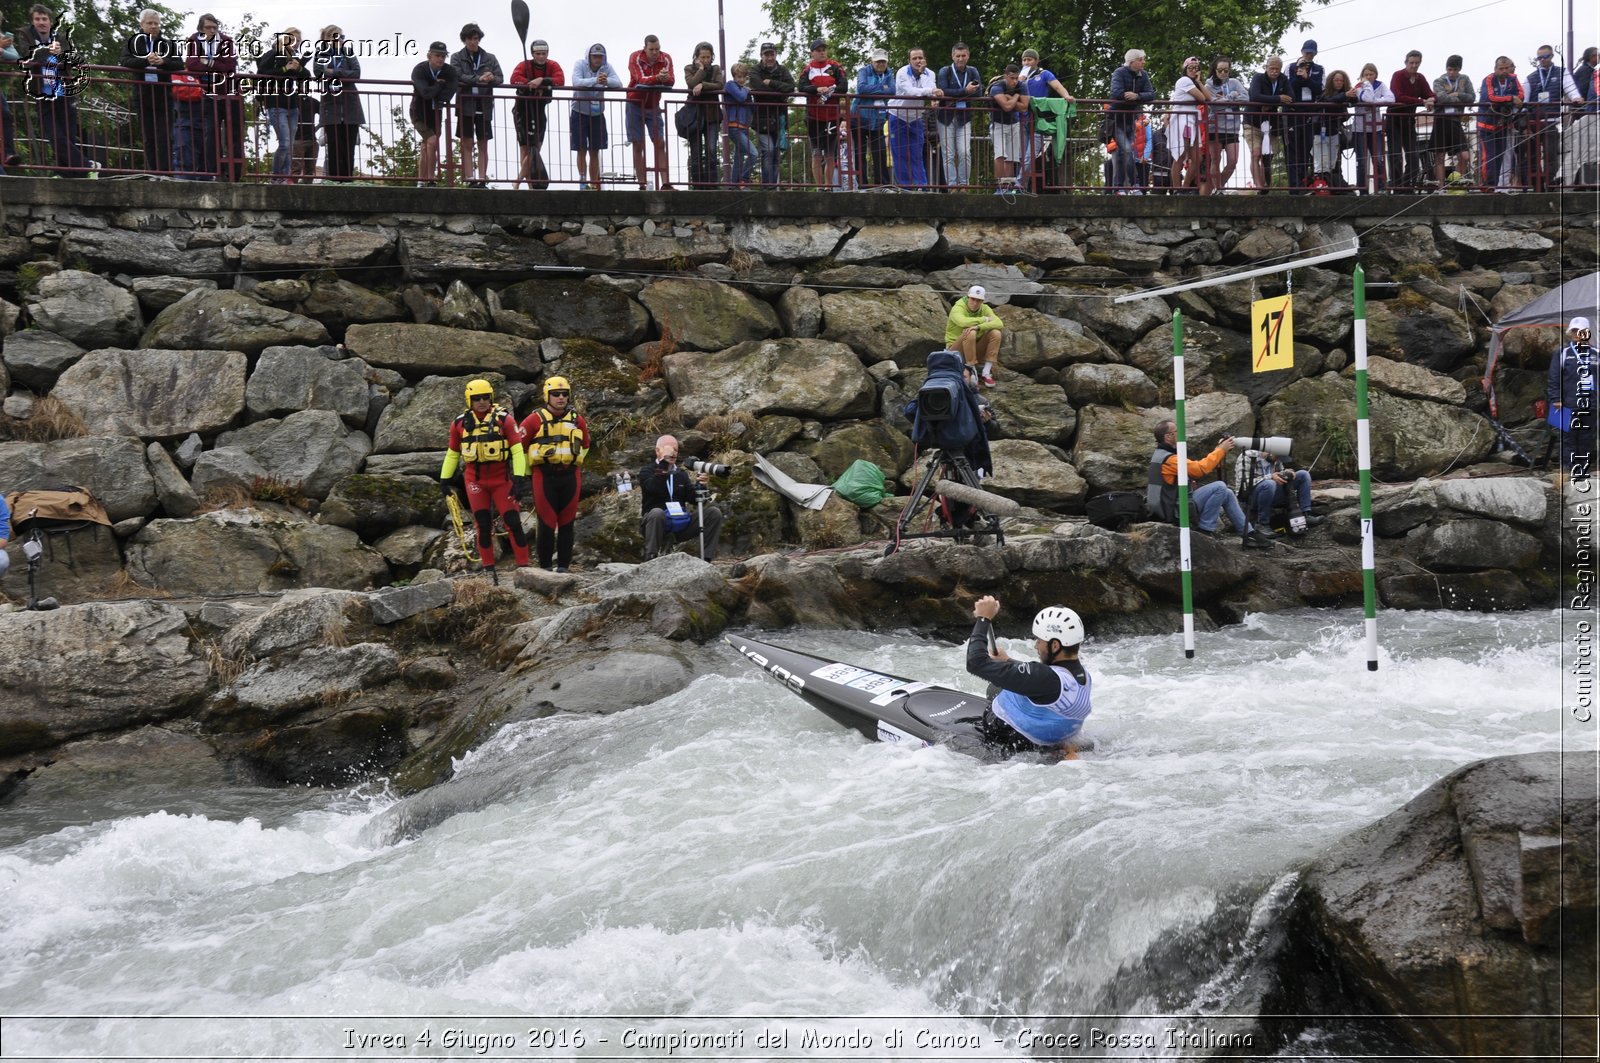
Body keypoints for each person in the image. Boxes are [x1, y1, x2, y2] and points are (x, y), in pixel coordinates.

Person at [966, 596, 1092, 756]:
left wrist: (984, 619)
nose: (1035, 645)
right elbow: (1039, 678)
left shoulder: (1044, 678)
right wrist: (1008, 661)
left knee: (994, 687)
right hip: (1054, 736)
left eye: (1039, 641)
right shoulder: (1083, 676)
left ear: (1055, 645)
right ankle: (1066, 747)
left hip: (1011, 738)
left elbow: (975, 663)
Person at [439, 379, 533, 576]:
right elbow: (453, 453)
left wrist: (518, 478)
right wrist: (444, 479)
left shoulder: (504, 420)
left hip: (501, 479)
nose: (482, 401)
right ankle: (489, 568)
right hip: (475, 481)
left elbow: (517, 451)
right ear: (469, 400)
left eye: (485, 398)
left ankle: (524, 566)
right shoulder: (459, 424)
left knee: (512, 521)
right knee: (482, 523)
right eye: (476, 398)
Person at [1146, 419, 1273, 546]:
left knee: (1227, 493)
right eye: (1177, 431)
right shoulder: (1170, 459)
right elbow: (1200, 469)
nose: (1181, 433)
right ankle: (1205, 530)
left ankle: (1248, 533)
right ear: (1168, 436)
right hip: (1174, 511)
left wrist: (1218, 449)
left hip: (1171, 506)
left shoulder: (1161, 455)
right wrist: (1221, 450)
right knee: (1220, 487)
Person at [519, 376, 591, 572]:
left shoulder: (577, 420)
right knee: (547, 521)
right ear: (547, 396)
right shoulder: (534, 420)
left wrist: (574, 463)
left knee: (567, 522)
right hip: (544, 476)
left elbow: (585, 446)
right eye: (556, 394)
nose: (561, 398)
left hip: (570, 476)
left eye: (564, 394)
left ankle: (563, 567)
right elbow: (519, 448)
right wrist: (525, 473)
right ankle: (545, 568)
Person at [18, 4, 86, 176]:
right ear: (33, 21)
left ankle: (65, 172)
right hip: (41, 91)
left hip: (62, 89)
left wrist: (59, 54)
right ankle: (86, 166)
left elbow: (72, 61)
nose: (41, 22)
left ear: (50, 21)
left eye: (44, 19)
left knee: (69, 134)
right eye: (37, 19)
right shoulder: (25, 34)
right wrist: (47, 51)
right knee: (54, 134)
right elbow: (25, 56)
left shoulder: (61, 38)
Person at [639, 434, 724, 562]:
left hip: (679, 522)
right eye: (669, 449)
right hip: (656, 524)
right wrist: (664, 464)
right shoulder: (647, 471)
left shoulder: (681, 474)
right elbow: (653, 488)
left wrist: (702, 485)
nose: (673, 453)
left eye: (676, 450)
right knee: (657, 513)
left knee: (714, 513)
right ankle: (650, 558)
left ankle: (706, 559)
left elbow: (693, 499)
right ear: (658, 451)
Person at [123, 9, 186, 176]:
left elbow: (180, 64)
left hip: (164, 96)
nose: (153, 26)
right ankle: (153, 173)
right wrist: (145, 61)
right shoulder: (133, 43)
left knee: (165, 137)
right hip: (143, 96)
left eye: (156, 23)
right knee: (149, 138)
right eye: (150, 23)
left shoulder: (168, 44)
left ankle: (166, 174)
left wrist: (163, 62)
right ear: (142, 24)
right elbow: (125, 61)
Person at [184, 12, 242, 180]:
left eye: (214, 27)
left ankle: (234, 175)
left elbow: (230, 66)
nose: (212, 31)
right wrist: (217, 65)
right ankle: (214, 172)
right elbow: (191, 64)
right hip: (209, 93)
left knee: (234, 134)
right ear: (200, 29)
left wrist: (207, 62)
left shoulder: (226, 40)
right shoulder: (194, 40)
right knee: (211, 134)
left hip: (230, 92)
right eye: (208, 28)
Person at [451, 24, 501, 188]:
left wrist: (491, 78)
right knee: (467, 142)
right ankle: (469, 178)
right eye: (470, 39)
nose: (473, 42)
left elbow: (500, 78)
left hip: (484, 104)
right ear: (464, 40)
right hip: (465, 104)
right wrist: (478, 79)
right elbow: (457, 75)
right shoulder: (457, 57)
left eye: (476, 39)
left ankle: (482, 179)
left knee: (483, 143)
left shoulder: (490, 57)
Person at [1525, 45, 1581, 189]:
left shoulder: (1562, 73)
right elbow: (1524, 101)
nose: (1542, 60)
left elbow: (1571, 89)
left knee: (1551, 155)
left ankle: (1551, 184)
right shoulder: (1530, 77)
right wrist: (1524, 122)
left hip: (1551, 121)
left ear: (1551, 57)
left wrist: (1576, 97)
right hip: (1534, 121)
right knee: (1533, 156)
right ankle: (1537, 186)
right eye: (1539, 58)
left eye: (1546, 57)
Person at [1547, 317, 1596, 479]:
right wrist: (1556, 399)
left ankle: (1583, 469)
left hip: (1590, 404)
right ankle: (1567, 469)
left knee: (1586, 438)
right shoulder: (1563, 352)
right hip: (1565, 403)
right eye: (1574, 331)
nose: (1576, 334)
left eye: (1580, 330)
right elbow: (1554, 378)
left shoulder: (1596, 353)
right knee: (1567, 437)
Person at [509, 38, 561, 190]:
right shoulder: (524, 65)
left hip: (539, 109)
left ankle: (519, 180)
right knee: (525, 148)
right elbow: (514, 79)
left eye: (543, 53)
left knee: (536, 148)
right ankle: (529, 185)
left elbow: (560, 79)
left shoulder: (552, 65)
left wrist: (542, 81)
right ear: (532, 54)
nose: (541, 57)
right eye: (538, 53)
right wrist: (531, 84)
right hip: (522, 109)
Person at [1236, 446, 1327, 532]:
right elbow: (1243, 485)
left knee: (1303, 475)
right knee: (1269, 483)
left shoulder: (1276, 460)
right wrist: (1270, 477)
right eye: (1277, 456)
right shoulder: (1247, 456)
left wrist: (1286, 474)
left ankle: (1305, 514)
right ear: (1271, 451)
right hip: (1250, 498)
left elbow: (1280, 477)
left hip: (1271, 495)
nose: (1278, 459)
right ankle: (1262, 524)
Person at [254, 27, 305, 183]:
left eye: (298, 40)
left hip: (292, 105)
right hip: (276, 103)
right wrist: (285, 68)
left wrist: (299, 68)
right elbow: (262, 71)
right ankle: (277, 177)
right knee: (284, 143)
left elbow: (306, 75)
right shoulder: (274, 53)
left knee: (289, 145)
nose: (295, 43)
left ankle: (284, 177)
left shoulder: (295, 58)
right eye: (292, 39)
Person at [626, 34, 673, 191]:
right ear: (644, 48)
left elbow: (672, 80)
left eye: (657, 49)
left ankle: (665, 183)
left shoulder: (666, 58)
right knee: (638, 144)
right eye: (652, 49)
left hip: (653, 105)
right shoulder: (635, 57)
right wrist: (658, 78)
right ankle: (642, 184)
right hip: (634, 104)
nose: (655, 52)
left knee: (660, 143)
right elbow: (639, 79)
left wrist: (663, 78)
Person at [796, 38, 844, 189]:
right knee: (816, 154)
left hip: (832, 117)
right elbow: (801, 87)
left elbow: (843, 86)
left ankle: (828, 185)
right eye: (818, 50)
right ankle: (819, 186)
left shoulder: (835, 66)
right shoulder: (807, 69)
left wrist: (829, 89)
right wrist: (817, 89)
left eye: (824, 49)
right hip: (814, 117)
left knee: (830, 155)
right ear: (812, 53)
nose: (822, 52)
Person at [889, 46, 938, 188]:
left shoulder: (930, 73)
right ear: (909, 61)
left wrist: (923, 75)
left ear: (925, 59)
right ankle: (904, 188)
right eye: (914, 58)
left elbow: (930, 91)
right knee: (900, 155)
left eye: (920, 58)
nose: (918, 61)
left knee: (917, 153)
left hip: (915, 117)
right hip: (897, 115)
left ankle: (922, 186)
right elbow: (911, 91)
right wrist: (932, 92)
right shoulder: (902, 72)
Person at [935, 42, 982, 188]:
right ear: (952, 56)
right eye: (957, 56)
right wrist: (965, 92)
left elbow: (979, 93)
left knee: (964, 152)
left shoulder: (973, 71)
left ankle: (964, 185)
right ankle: (951, 185)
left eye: (963, 56)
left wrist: (962, 93)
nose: (960, 59)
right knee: (948, 154)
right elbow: (943, 91)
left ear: (968, 56)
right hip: (945, 117)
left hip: (964, 117)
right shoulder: (945, 71)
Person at [411, 42, 458, 186]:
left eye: (443, 56)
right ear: (429, 55)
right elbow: (425, 93)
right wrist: (438, 85)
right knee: (431, 141)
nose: (440, 59)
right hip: (419, 112)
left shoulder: (449, 71)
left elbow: (447, 95)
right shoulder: (420, 69)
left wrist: (433, 90)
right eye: (437, 55)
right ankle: (430, 179)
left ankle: (422, 180)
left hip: (436, 113)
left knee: (427, 146)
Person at [571, 43, 617, 190]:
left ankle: (595, 183)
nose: (597, 59)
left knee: (595, 150)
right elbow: (576, 82)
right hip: (579, 112)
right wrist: (596, 80)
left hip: (597, 114)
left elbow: (619, 83)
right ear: (588, 57)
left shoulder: (607, 67)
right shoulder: (579, 64)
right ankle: (582, 181)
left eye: (600, 56)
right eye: (595, 56)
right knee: (581, 149)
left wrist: (606, 81)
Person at [1108, 48, 1154, 193]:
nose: (1143, 62)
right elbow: (1115, 93)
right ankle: (1134, 185)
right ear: (1132, 61)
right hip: (1117, 118)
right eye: (1141, 60)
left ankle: (1120, 187)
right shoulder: (1119, 72)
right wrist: (1130, 97)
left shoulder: (1144, 75)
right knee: (1127, 150)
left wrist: (1137, 96)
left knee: (1126, 153)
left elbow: (1151, 94)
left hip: (1131, 119)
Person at [1387, 50, 1434, 189]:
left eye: (1417, 63)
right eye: (1411, 62)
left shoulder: (1420, 78)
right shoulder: (1398, 75)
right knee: (1395, 156)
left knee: (1413, 156)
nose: (1414, 65)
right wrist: (1422, 101)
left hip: (1408, 120)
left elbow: (1430, 94)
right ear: (1406, 62)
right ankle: (1396, 186)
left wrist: (1431, 100)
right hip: (1394, 120)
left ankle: (1406, 185)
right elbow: (1398, 96)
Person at [1477, 56, 1523, 191]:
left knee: (1499, 157)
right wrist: (1510, 98)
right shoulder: (1489, 79)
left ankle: (1495, 185)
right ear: (1495, 68)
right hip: (1486, 125)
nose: (1503, 71)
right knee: (1489, 157)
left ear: (1510, 67)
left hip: (1502, 124)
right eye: (1500, 68)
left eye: (1506, 68)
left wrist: (1510, 100)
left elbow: (1521, 95)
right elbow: (1490, 97)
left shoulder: (1513, 79)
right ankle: (1487, 186)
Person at [751, 42, 794, 186]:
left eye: (772, 54)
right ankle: (767, 186)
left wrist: (771, 83)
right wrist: (779, 93)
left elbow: (791, 87)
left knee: (775, 153)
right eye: (766, 54)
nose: (769, 57)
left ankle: (773, 186)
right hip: (761, 118)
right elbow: (759, 87)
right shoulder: (755, 70)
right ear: (761, 56)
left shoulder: (782, 70)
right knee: (768, 150)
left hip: (779, 117)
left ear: (775, 55)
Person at [1247, 55, 1291, 192]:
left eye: (1277, 69)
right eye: (1271, 68)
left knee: (1268, 156)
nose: (1274, 72)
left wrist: (1269, 102)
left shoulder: (1283, 79)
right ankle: (1259, 186)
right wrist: (1278, 98)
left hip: (1271, 123)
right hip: (1253, 121)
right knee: (1256, 153)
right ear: (1266, 67)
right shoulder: (1258, 78)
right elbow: (1255, 96)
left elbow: (1291, 98)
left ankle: (1267, 184)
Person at [1168, 57, 1211, 194]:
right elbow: (1202, 98)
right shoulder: (1184, 81)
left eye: (1196, 68)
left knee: (1197, 158)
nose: (1193, 70)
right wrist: (1197, 84)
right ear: (1185, 69)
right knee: (1180, 156)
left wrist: (1199, 81)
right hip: (1183, 121)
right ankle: (1177, 189)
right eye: (1190, 68)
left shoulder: (1195, 83)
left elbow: (1209, 98)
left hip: (1192, 122)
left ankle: (1184, 188)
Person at [1285, 40, 1324, 192]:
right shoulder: (1290, 67)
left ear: (1315, 53)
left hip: (1310, 114)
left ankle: (1302, 184)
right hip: (1293, 114)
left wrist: (1307, 78)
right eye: (1306, 52)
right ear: (1301, 51)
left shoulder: (1319, 69)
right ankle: (1294, 187)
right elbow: (1289, 88)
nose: (1308, 55)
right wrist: (1299, 75)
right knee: (1293, 151)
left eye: (1311, 53)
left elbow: (1319, 90)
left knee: (1306, 150)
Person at [944, 285, 1003, 386]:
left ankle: (986, 372)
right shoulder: (958, 307)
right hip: (955, 352)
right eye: (973, 299)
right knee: (969, 331)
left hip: (974, 350)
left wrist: (978, 327)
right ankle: (971, 369)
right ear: (968, 297)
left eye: (979, 300)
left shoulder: (985, 309)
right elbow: (962, 322)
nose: (975, 303)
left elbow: (999, 323)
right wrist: (984, 319)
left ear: (982, 301)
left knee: (996, 333)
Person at [1205, 56, 1248, 192]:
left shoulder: (1235, 82)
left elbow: (1246, 98)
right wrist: (1232, 96)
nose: (1223, 73)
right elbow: (1213, 105)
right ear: (1215, 70)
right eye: (1220, 70)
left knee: (1233, 161)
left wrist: (1225, 99)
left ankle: (1218, 187)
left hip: (1232, 127)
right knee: (1215, 160)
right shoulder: (1209, 85)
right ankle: (1218, 189)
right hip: (1214, 126)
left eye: (1226, 70)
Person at [851, 49, 893, 187]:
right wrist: (883, 88)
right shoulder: (864, 71)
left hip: (878, 119)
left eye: (883, 61)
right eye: (878, 61)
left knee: (880, 151)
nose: (880, 64)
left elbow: (892, 90)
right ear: (872, 61)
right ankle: (862, 185)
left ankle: (882, 185)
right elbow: (862, 88)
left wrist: (874, 89)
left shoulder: (889, 73)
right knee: (860, 153)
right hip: (859, 117)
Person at [683, 42, 723, 188]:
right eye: (703, 57)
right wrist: (700, 69)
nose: (706, 60)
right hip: (694, 116)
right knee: (696, 152)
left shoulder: (716, 69)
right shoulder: (689, 68)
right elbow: (691, 83)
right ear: (697, 57)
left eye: (708, 57)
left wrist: (703, 85)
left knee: (711, 150)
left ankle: (713, 184)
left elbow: (720, 85)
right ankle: (698, 185)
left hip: (712, 115)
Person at [1431, 55, 1474, 188]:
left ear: (1459, 69)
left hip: (1455, 120)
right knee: (1440, 156)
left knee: (1464, 156)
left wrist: (1458, 95)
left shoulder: (1465, 79)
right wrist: (1459, 99)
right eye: (1449, 69)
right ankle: (1441, 187)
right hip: (1441, 119)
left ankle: (1455, 184)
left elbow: (1471, 97)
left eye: (1454, 70)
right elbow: (1442, 98)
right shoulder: (1438, 81)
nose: (1451, 72)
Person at [1351, 62, 1392, 192]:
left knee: (1378, 159)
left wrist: (1376, 102)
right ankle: (1362, 189)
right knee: (1362, 162)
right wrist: (1367, 85)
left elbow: (1391, 98)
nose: (1368, 77)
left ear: (1376, 75)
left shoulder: (1381, 85)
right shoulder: (1359, 86)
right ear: (1362, 76)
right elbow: (1367, 98)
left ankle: (1381, 188)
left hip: (1376, 128)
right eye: (1366, 74)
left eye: (1371, 74)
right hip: (1360, 129)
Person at [989, 64, 1028, 191]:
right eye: (1012, 78)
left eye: (1017, 78)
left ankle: (1008, 187)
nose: (1015, 81)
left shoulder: (1022, 85)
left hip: (1014, 123)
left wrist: (1013, 97)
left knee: (1011, 157)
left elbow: (1024, 107)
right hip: (997, 124)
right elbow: (1006, 107)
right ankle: (999, 187)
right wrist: (1017, 98)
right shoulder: (997, 86)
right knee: (1000, 155)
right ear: (1006, 76)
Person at [1313, 70, 1354, 187]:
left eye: (1341, 80)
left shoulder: (1346, 93)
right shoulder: (1325, 93)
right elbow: (1328, 101)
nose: (1339, 82)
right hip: (1321, 130)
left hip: (1335, 131)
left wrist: (1354, 93)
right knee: (1321, 160)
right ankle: (1320, 185)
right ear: (1331, 80)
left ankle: (1329, 184)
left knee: (1332, 161)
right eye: (1336, 80)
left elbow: (1354, 102)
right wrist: (1345, 95)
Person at [723, 62, 755, 187]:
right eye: (738, 77)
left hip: (743, 126)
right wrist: (747, 91)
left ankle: (733, 184)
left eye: (743, 77)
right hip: (734, 126)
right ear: (734, 77)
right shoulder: (730, 85)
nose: (741, 80)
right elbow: (741, 97)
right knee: (753, 153)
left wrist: (749, 96)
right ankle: (744, 178)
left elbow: (751, 109)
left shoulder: (744, 90)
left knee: (739, 156)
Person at [290, 91, 319, 182]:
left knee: (309, 171)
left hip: (311, 139)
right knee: (296, 169)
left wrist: (316, 128)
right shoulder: (292, 101)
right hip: (298, 139)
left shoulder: (313, 102)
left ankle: (307, 191)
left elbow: (324, 114)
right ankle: (292, 191)